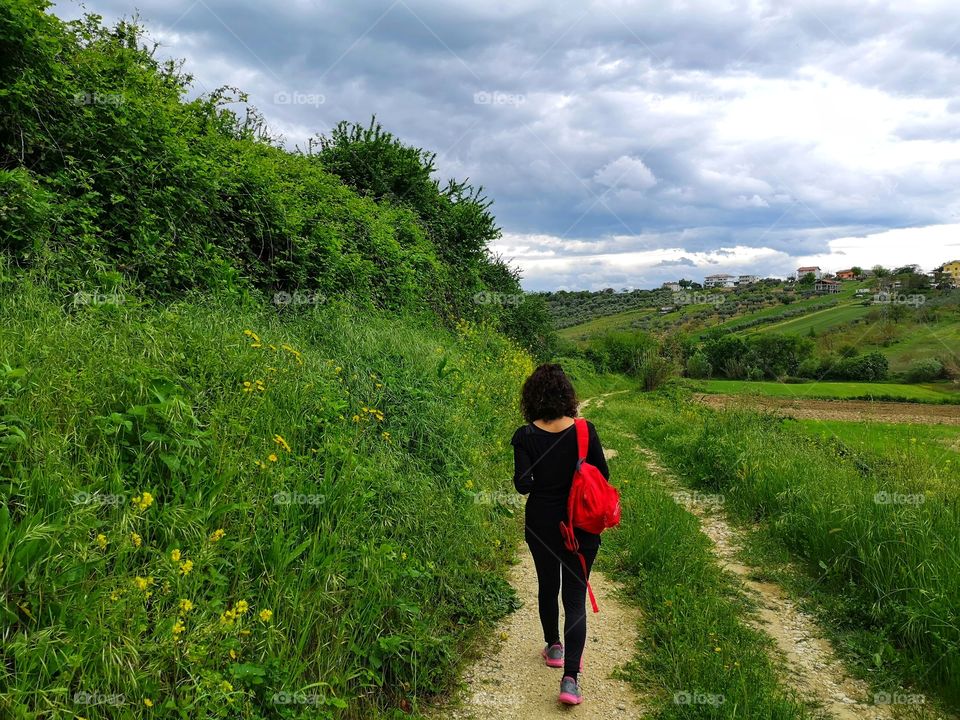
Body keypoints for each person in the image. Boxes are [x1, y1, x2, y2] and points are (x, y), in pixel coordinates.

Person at [511, 363, 611, 706]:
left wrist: (545, 481)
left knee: (547, 585)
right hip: (581, 526)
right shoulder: (585, 431)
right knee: (574, 599)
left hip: (541, 523)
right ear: (567, 395)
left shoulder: (525, 436)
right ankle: (570, 679)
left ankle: (554, 646)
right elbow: (603, 474)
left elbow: (523, 484)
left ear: (532, 398)